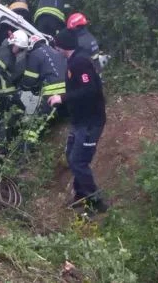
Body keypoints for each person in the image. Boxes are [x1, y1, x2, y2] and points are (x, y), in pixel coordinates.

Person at [48, 28, 108, 215]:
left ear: (63, 47)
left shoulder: (80, 63)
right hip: (79, 120)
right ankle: (82, 195)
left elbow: (89, 90)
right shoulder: (73, 60)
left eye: (57, 47)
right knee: (71, 156)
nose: (56, 51)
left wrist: (62, 98)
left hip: (91, 121)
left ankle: (96, 201)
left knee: (78, 161)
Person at [19, 35, 67, 112]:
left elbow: (30, 79)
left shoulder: (34, 54)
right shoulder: (55, 51)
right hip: (67, 91)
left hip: (51, 93)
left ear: (31, 45)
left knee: (41, 117)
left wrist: (23, 86)